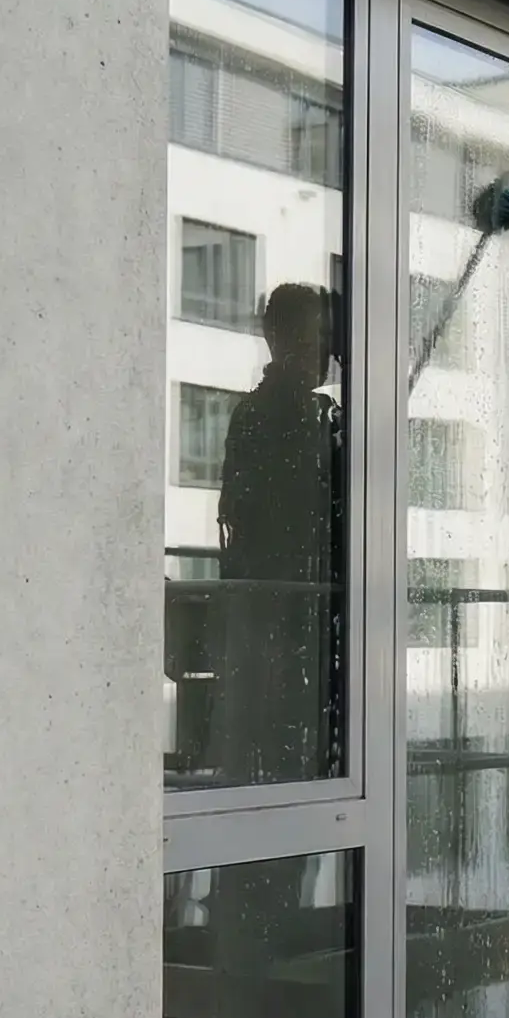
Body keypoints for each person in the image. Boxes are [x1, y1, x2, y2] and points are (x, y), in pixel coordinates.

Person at [215, 281, 345, 786]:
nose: (322, 355)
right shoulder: (309, 418)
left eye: (324, 343)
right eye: (311, 342)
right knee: (285, 744)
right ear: (279, 341)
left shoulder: (259, 414)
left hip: (272, 607)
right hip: (288, 611)